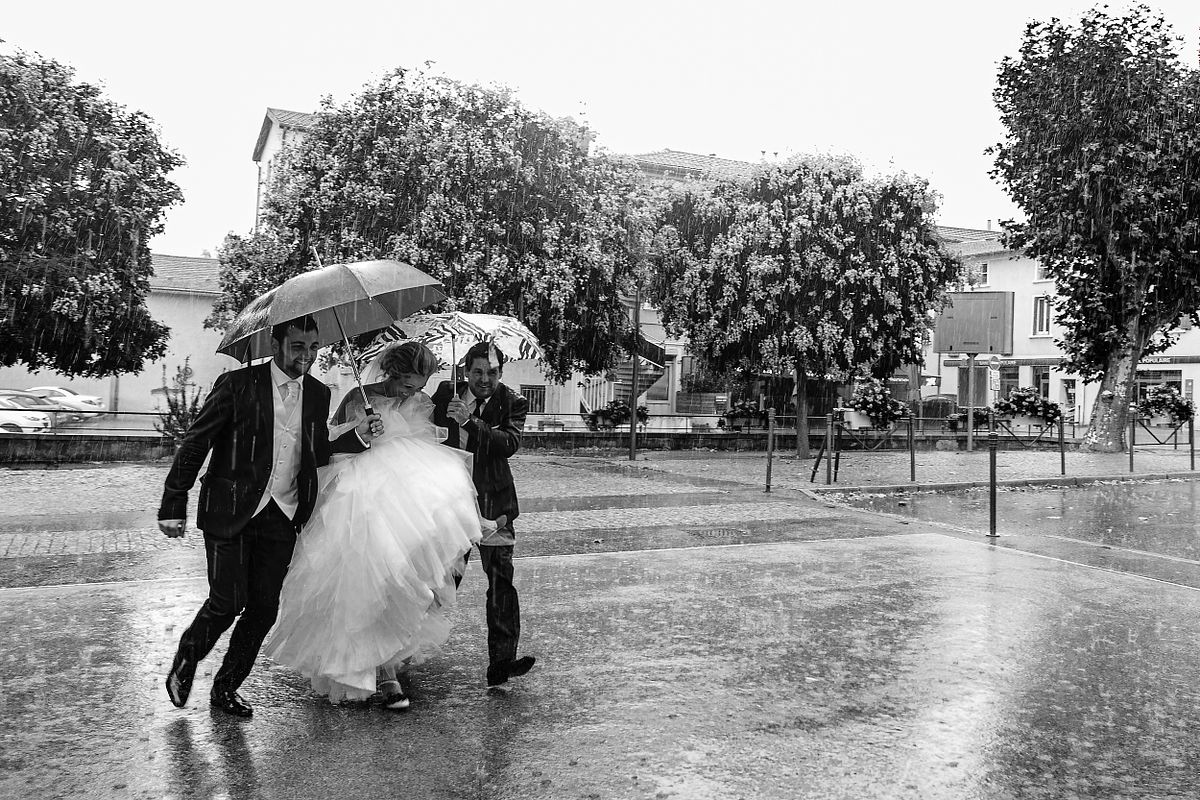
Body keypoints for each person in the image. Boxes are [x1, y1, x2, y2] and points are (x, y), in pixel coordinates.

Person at [158, 315, 383, 719]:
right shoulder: (237, 385)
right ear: (277, 344)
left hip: (283, 513)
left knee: (263, 609)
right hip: (230, 509)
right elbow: (196, 444)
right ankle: (187, 658)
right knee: (228, 602)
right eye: (298, 347)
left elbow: (317, 451)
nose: (307, 357)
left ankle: (226, 688)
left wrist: (362, 435)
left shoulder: (317, 393)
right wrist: (173, 502)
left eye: (313, 348)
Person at [265, 341, 482, 710]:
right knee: (368, 579)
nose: (411, 392)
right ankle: (381, 673)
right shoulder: (357, 396)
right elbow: (331, 445)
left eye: (418, 386)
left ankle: (389, 661)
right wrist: (364, 432)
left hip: (406, 500)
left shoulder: (422, 400)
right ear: (393, 373)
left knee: (403, 580)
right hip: (361, 496)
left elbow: (425, 441)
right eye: (407, 384)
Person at [431, 341, 536, 687]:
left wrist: (470, 421)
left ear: (501, 373)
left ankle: (501, 663)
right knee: (441, 581)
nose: (485, 379)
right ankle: (402, 650)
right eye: (478, 372)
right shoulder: (447, 391)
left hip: (495, 507)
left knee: (500, 582)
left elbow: (507, 443)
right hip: (450, 504)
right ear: (465, 371)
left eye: (492, 372)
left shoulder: (513, 402)